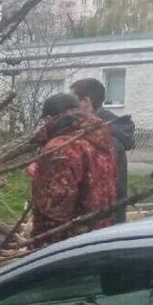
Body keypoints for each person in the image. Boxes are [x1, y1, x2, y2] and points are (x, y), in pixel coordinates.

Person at [29, 93, 117, 245]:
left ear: (49, 119)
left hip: (67, 242)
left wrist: (38, 246)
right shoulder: (100, 140)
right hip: (99, 234)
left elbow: (54, 209)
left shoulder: (61, 148)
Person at [71, 78, 135, 224]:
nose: (70, 109)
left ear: (86, 101)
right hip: (103, 217)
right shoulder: (102, 130)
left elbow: (102, 184)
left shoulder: (105, 136)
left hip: (104, 221)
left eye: (73, 102)